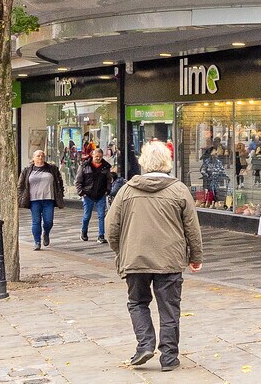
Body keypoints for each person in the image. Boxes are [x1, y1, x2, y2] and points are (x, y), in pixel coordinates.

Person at [107, 138, 203, 372]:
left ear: (144, 163)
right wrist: (196, 256)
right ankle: (169, 357)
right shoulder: (179, 190)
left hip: (135, 259)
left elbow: (111, 228)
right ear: (167, 163)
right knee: (169, 308)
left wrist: (121, 250)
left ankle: (145, 345)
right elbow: (192, 227)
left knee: (138, 302)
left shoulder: (127, 190)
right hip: (169, 260)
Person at [25, 149, 65, 249]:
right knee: (36, 221)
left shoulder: (51, 168)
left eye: (42, 156)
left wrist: (61, 192)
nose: (40, 158)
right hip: (34, 200)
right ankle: (37, 242)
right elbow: (21, 184)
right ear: (33, 158)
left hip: (48, 199)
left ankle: (46, 233)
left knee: (49, 221)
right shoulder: (28, 170)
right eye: (38, 156)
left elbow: (59, 181)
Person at [77, 149, 115, 244]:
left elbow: (109, 180)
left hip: (101, 194)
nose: (98, 158)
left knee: (101, 215)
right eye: (96, 156)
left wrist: (107, 190)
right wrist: (81, 192)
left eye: (100, 156)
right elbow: (78, 180)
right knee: (87, 216)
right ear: (92, 156)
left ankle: (101, 235)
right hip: (88, 194)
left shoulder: (105, 167)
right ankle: (84, 231)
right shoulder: (84, 166)